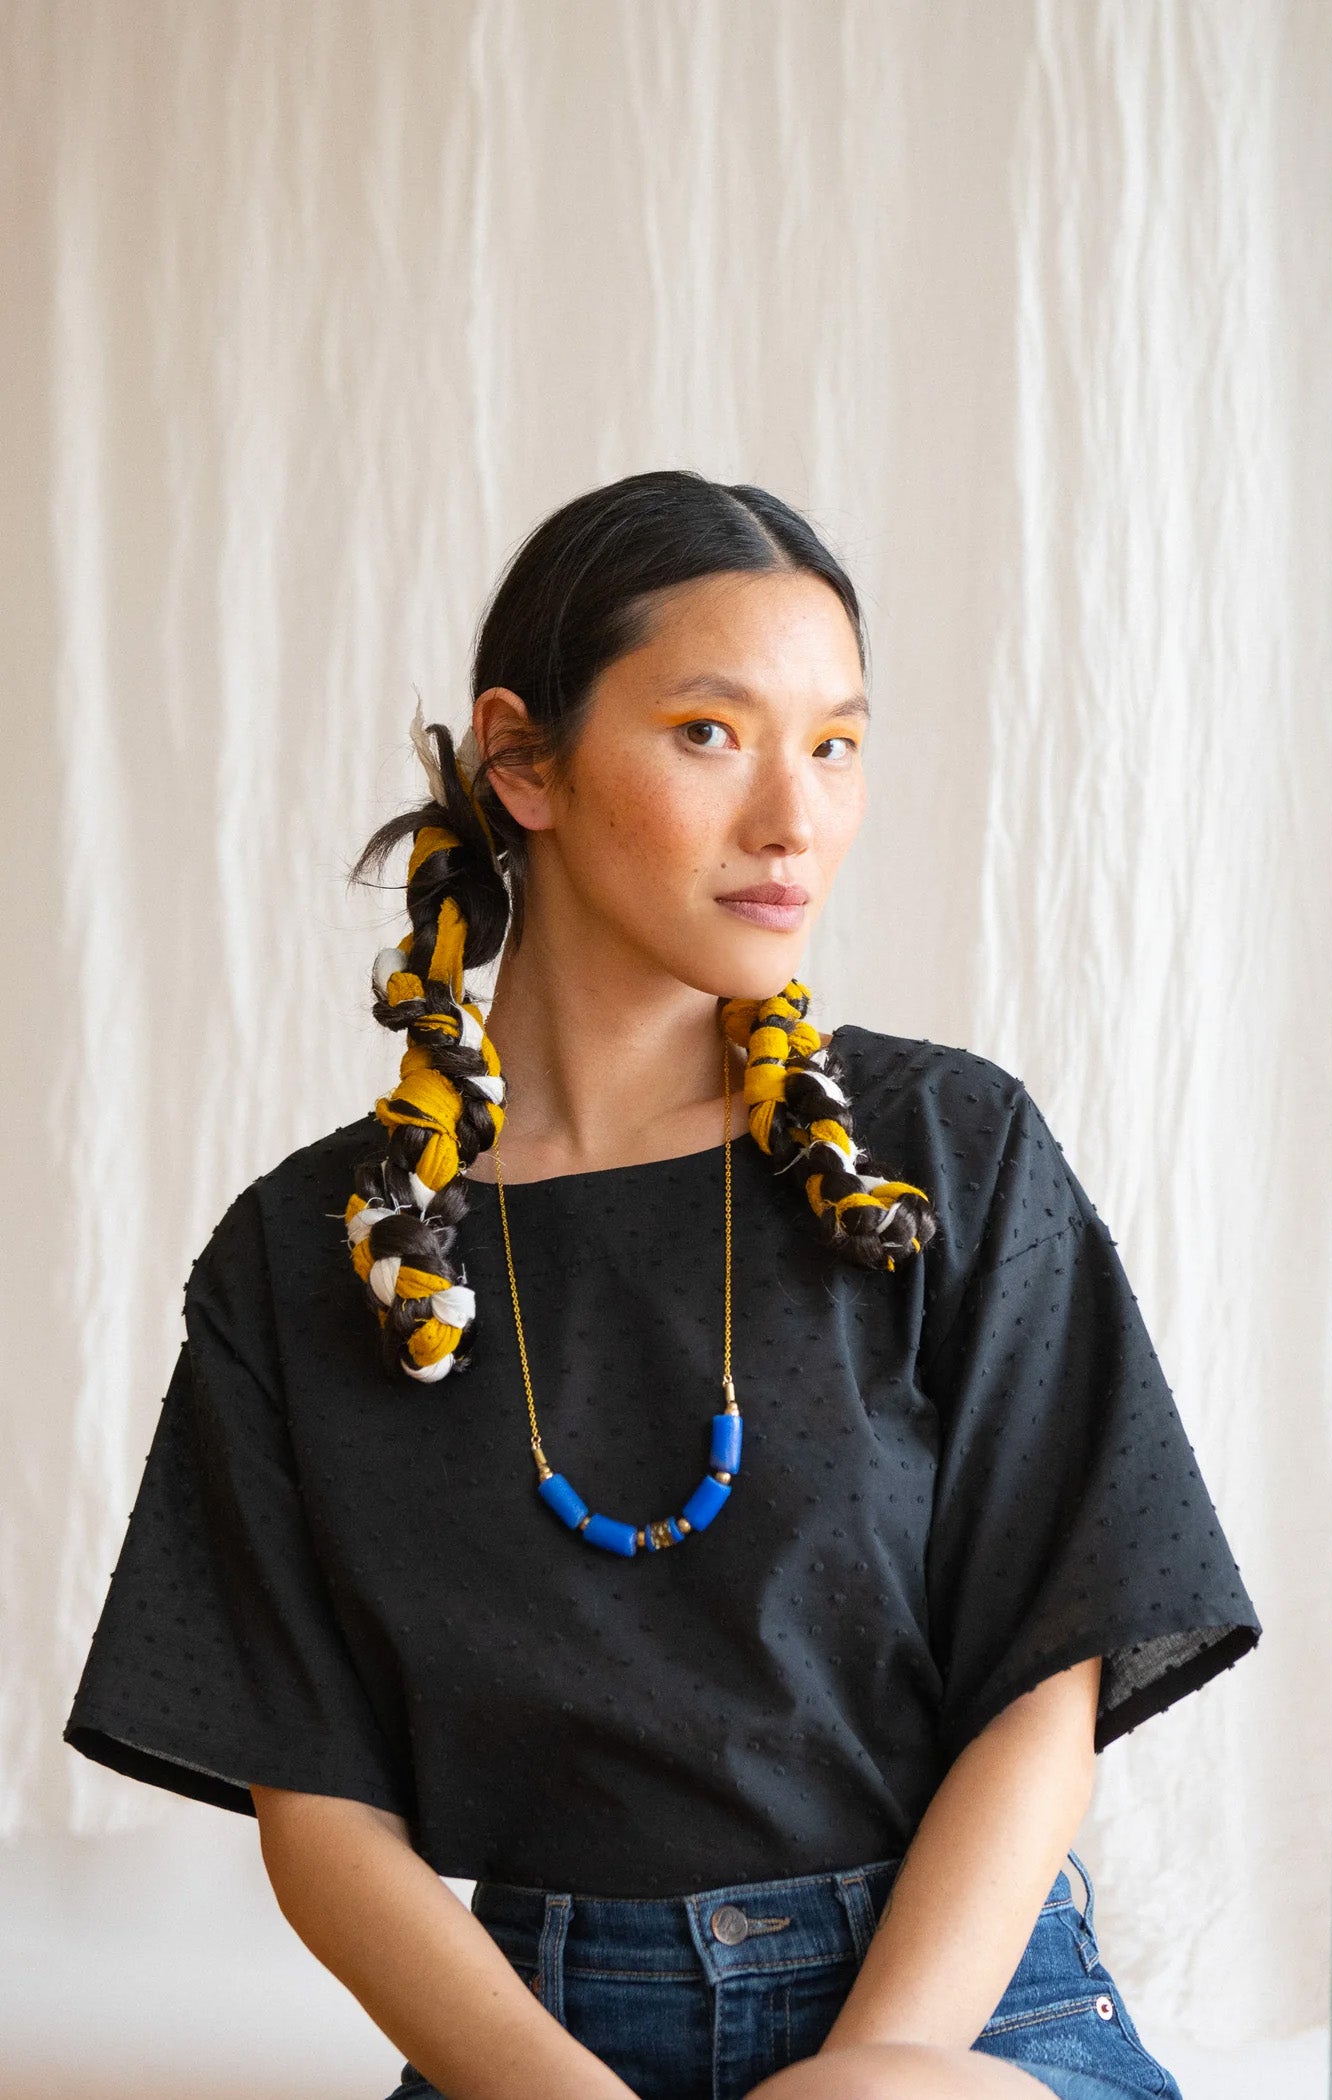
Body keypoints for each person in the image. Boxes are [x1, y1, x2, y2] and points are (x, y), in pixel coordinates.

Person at [63, 469, 1261, 2100]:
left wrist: (870, 2069)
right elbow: (318, 1810)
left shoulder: (941, 1152)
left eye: (834, 745)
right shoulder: (307, 1254)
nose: (794, 819)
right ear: (522, 760)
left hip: (956, 2025)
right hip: (530, 2050)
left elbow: (1050, 1681)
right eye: (711, 733)